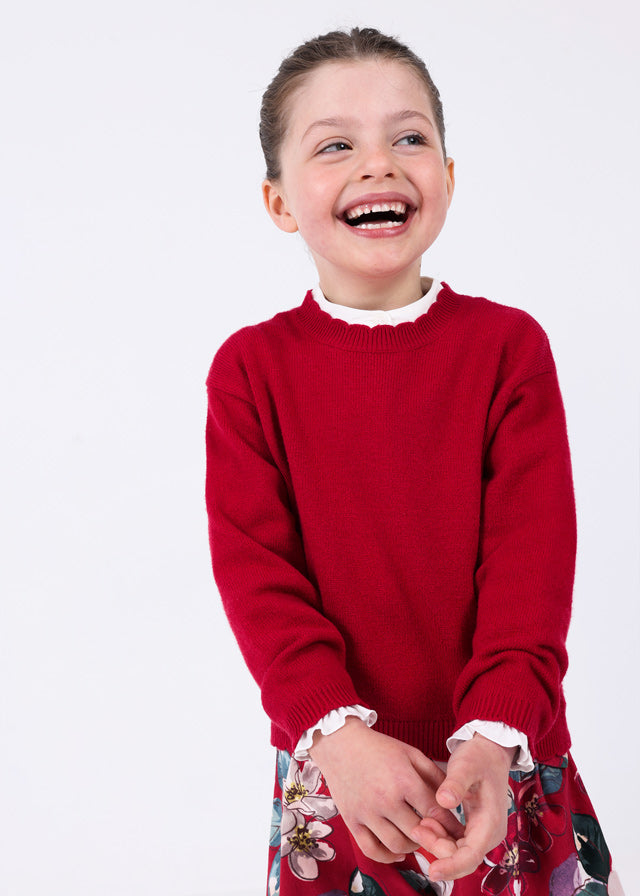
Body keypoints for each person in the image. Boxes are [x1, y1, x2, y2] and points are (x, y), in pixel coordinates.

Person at [205, 27, 623, 896]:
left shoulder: (508, 349)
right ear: (280, 201)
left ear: (449, 177)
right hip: (341, 778)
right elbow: (258, 580)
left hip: (500, 760)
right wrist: (340, 740)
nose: (378, 165)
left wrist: (492, 737)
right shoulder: (250, 371)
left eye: (409, 138)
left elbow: (532, 571)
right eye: (335, 146)